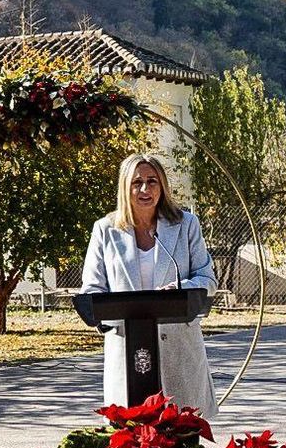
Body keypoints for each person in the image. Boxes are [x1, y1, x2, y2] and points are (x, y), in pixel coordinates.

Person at [79, 152, 217, 416]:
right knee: (132, 436)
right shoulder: (105, 229)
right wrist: (106, 317)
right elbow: (92, 289)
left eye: (152, 181)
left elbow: (207, 279)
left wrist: (180, 290)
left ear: (162, 185)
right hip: (128, 350)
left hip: (179, 351)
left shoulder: (186, 224)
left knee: (182, 434)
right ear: (125, 186)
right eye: (137, 182)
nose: (145, 189)